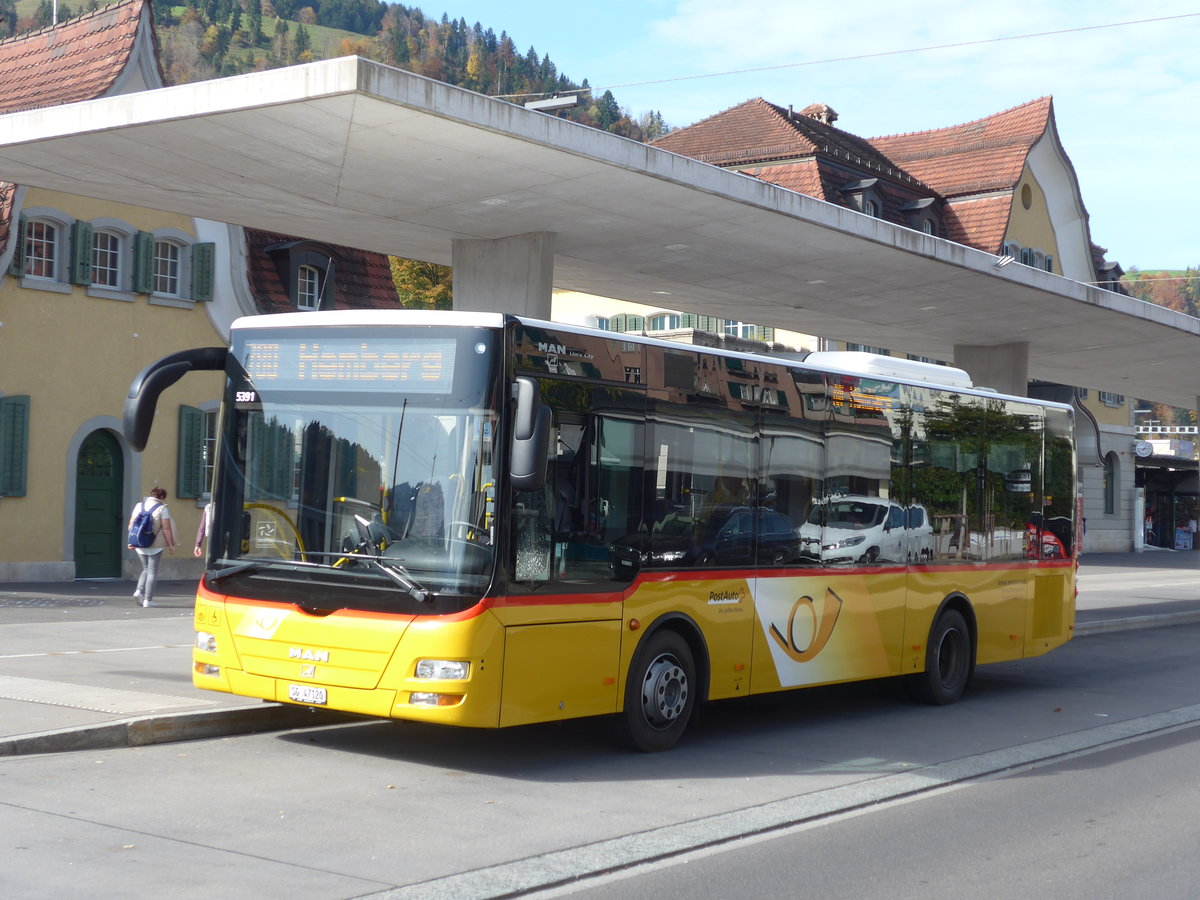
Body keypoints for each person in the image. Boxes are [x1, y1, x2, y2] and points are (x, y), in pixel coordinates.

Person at [128, 486, 175, 607]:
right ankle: (148, 600)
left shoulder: (139, 505)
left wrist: (131, 541)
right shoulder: (162, 508)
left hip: (139, 542)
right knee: (152, 571)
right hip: (155, 544)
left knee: (146, 569)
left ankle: (139, 591)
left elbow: (131, 524)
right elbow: (166, 529)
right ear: (162, 497)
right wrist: (170, 545)